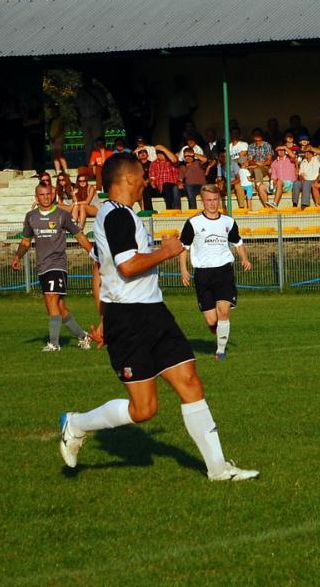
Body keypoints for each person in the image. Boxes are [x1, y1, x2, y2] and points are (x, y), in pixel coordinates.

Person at [59, 153, 258, 480]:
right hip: (131, 320)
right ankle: (76, 424)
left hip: (153, 313)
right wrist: (166, 251)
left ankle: (218, 468)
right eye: (142, 176)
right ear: (127, 179)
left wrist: (104, 317)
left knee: (190, 381)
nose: (146, 182)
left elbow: (101, 269)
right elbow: (125, 266)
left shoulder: (119, 215)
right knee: (144, 409)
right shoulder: (118, 215)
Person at [11, 183, 94, 352]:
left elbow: (79, 235)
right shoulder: (31, 217)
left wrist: (93, 253)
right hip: (42, 266)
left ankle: (54, 344)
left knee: (51, 299)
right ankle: (83, 336)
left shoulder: (62, 215)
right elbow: (26, 241)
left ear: (53, 194)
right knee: (58, 307)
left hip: (57, 265)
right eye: (42, 195)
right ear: (36, 197)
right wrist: (18, 256)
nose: (46, 197)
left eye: (48, 194)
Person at [179, 185, 253, 361]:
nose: (212, 204)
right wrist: (183, 269)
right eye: (208, 200)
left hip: (224, 271)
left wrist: (244, 258)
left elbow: (237, 242)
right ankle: (218, 331)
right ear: (202, 201)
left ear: (219, 200)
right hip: (203, 274)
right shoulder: (193, 223)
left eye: (215, 200)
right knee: (212, 321)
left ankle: (220, 351)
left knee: (224, 311)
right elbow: (184, 248)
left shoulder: (228, 222)